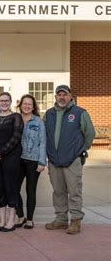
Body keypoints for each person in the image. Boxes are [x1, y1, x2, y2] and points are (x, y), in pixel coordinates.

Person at [44, 85, 95, 235]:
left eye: (64, 95)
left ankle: (75, 220)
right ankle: (60, 219)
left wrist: (81, 148)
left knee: (74, 191)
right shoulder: (49, 114)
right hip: (54, 160)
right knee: (58, 191)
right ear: (55, 97)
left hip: (73, 160)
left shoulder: (80, 113)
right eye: (59, 95)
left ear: (70, 96)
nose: (61, 97)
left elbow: (90, 133)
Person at [0, 92, 23, 232]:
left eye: (7, 101)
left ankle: (11, 220)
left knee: (10, 187)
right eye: (2, 101)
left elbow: (16, 137)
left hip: (11, 158)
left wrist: (0, 152)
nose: (4, 103)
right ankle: (1, 220)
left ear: (11, 102)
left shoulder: (16, 117)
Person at [15, 94, 46, 230]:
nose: (27, 106)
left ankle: (30, 219)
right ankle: (21, 216)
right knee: (14, 189)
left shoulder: (38, 121)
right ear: (20, 105)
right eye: (24, 103)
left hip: (33, 160)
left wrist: (41, 162)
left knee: (30, 190)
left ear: (33, 107)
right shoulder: (15, 119)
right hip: (17, 159)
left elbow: (43, 142)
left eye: (30, 104)